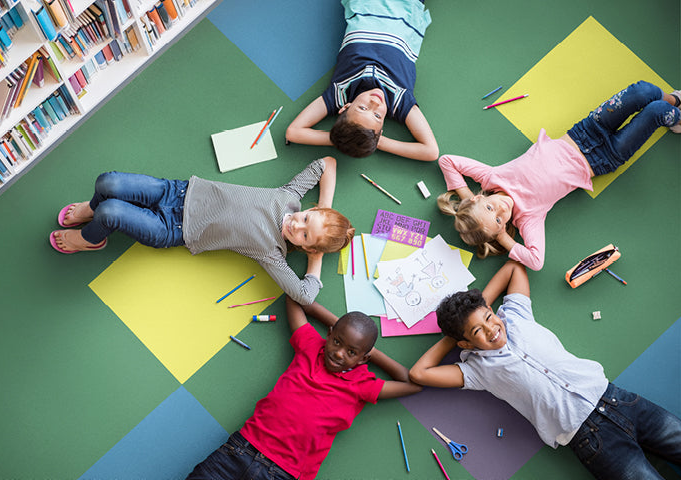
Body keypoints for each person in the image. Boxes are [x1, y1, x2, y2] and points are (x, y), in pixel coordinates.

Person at [409, 260, 681, 480]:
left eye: (489, 318)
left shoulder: (515, 316)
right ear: (465, 343)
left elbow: (513, 268)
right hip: (590, 438)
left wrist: (477, 311)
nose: (491, 329)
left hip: (618, 399)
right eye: (478, 331)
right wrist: (455, 336)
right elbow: (418, 373)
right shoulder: (477, 369)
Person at [436, 81, 681, 270]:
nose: (502, 210)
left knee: (644, 91)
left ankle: (675, 100)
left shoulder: (491, 178)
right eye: (500, 221)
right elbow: (536, 261)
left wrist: (466, 199)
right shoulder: (527, 218)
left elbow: (446, 161)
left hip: (585, 131)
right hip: (605, 157)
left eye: (490, 208)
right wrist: (503, 238)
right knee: (658, 111)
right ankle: (676, 116)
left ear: (480, 197)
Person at [49, 157, 353, 305]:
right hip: (177, 191)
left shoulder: (272, 253)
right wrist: (324, 210)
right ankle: (92, 210)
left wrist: (316, 259)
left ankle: (90, 239)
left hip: (173, 229)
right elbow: (327, 164)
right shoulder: (289, 197)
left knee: (110, 212)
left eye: (304, 235)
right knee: (107, 182)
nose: (296, 225)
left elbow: (305, 296)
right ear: (309, 209)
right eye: (306, 219)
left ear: (307, 247)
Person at [186, 296, 423, 480]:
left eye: (351, 352)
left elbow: (413, 382)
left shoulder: (363, 384)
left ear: (364, 359)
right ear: (329, 334)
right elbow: (294, 298)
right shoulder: (311, 345)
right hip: (241, 448)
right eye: (337, 341)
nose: (339, 354)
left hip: (283, 473)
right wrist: (343, 332)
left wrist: (368, 352)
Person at [285, 0, 439, 161]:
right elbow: (431, 151)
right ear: (381, 132)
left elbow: (294, 132)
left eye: (363, 108)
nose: (375, 103)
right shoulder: (399, 101)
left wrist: (344, 139)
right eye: (377, 116)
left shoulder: (340, 93)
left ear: (345, 107)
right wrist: (377, 142)